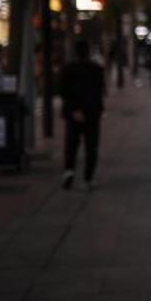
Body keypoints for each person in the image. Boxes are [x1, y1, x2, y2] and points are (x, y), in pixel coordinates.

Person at [60, 40, 106, 191]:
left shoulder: (68, 69)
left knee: (71, 144)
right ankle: (88, 178)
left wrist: (73, 109)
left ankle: (69, 170)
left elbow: (64, 91)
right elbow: (100, 91)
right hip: (92, 112)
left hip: (74, 113)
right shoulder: (97, 69)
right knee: (91, 146)